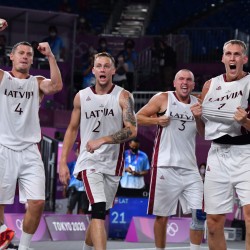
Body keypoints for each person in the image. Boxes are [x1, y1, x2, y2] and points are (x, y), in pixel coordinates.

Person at [59, 51, 137, 250]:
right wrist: (62, 162)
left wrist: (103, 139)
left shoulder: (123, 96)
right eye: (98, 66)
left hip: (113, 163)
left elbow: (132, 130)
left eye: (106, 66)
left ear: (113, 70)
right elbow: (72, 129)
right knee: (98, 210)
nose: (102, 69)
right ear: (93, 70)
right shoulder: (81, 97)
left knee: (100, 212)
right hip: (89, 160)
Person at [0, 18, 63, 250]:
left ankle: (25, 247)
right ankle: (3, 237)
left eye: (29, 54)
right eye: (21, 53)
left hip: (29, 150)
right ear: (12, 57)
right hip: (3, 147)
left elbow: (56, 86)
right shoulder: (2, 78)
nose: (26, 56)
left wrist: (50, 56)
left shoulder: (37, 82)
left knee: (37, 202)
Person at [190, 39, 250, 250]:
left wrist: (246, 122)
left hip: (246, 153)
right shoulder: (210, 86)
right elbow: (203, 131)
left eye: (237, 54)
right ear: (223, 58)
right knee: (213, 223)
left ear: (244, 59)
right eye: (228, 54)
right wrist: (197, 117)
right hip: (217, 154)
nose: (232, 58)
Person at [136, 69, 204, 250]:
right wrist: (156, 121)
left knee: (200, 214)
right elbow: (137, 118)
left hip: (190, 168)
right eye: (181, 79)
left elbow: (203, 133)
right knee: (162, 216)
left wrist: (198, 118)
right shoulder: (163, 98)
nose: (185, 82)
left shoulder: (198, 103)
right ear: (175, 83)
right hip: (165, 166)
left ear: (193, 85)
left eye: (189, 80)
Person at [63, 143, 89, 214]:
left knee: (82, 210)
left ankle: (82, 224)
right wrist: (64, 188)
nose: (80, 154)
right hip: (73, 189)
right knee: (70, 208)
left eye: (81, 152)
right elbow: (66, 176)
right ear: (76, 153)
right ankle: (67, 223)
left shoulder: (88, 165)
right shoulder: (71, 164)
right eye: (78, 152)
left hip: (84, 190)